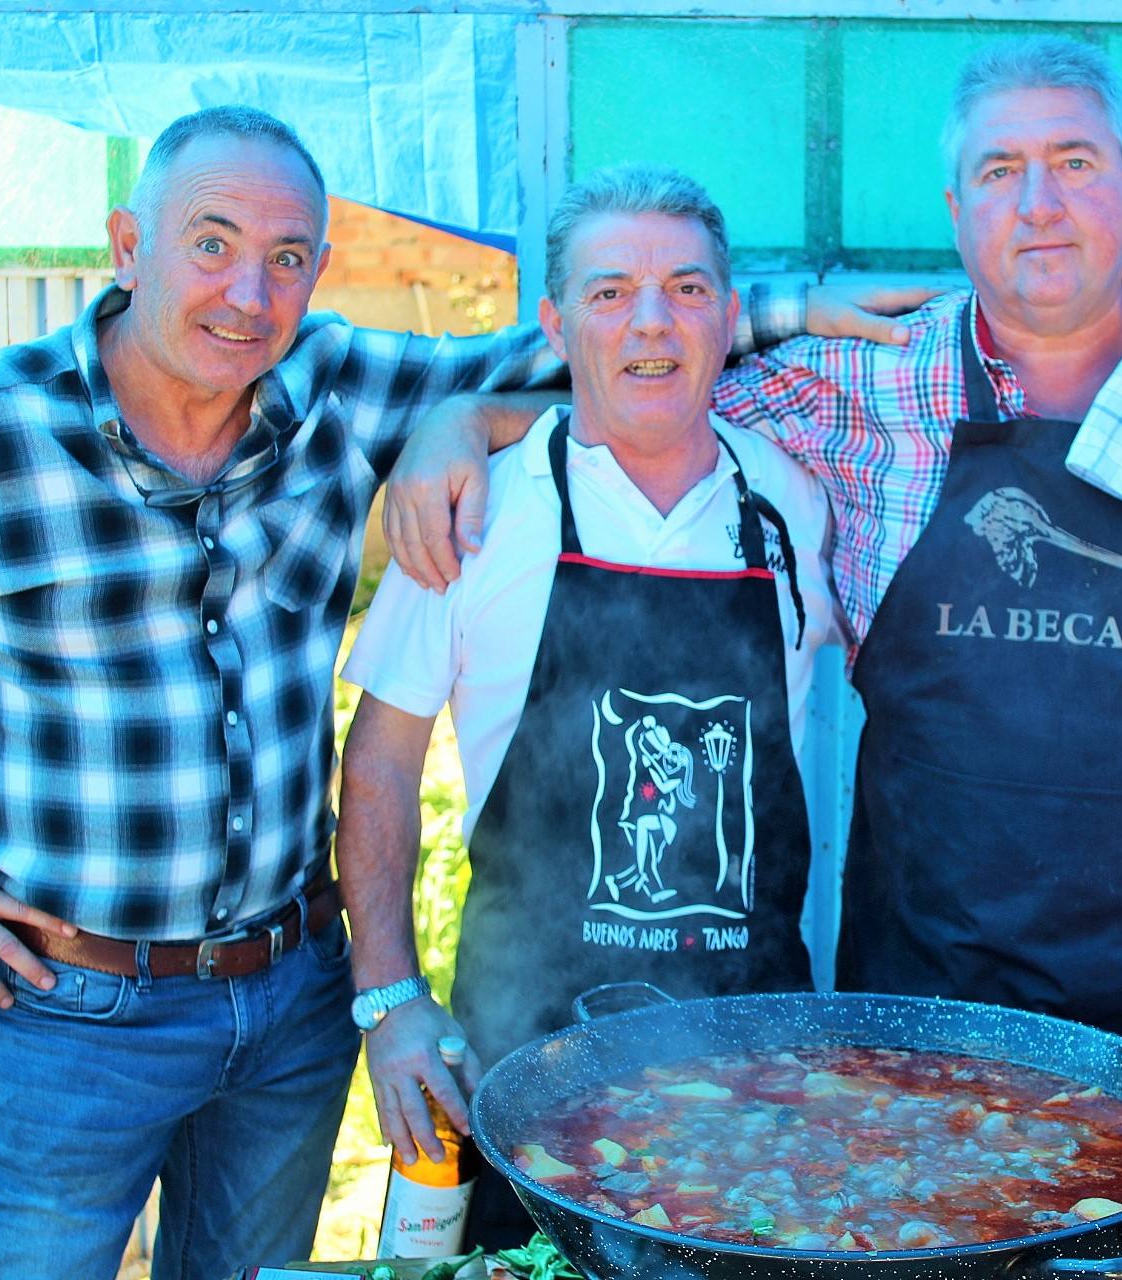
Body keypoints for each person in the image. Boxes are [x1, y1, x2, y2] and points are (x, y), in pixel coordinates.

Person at [384, 36, 1122, 1217]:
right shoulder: (866, 380)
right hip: (932, 1015)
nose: (1039, 203)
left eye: (1075, 162)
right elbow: (642, 387)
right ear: (957, 204)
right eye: (999, 171)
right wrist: (463, 423)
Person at [0, 107, 906, 1277]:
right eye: (210, 243)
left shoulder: (329, 389)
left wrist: (473, 413)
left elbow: (587, 359)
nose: (246, 292)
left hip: (286, 1004)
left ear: (318, 272)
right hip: (78, 1012)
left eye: (286, 258)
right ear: (127, 245)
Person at [335, 164, 840, 1247]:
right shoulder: (475, 508)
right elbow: (378, 763)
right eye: (610, 292)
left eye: (687, 289)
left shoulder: (796, 499)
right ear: (558, 326)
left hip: (758, 1056)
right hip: (526, 1058)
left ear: (730, 316)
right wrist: (389, 1002)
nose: (650, 322)